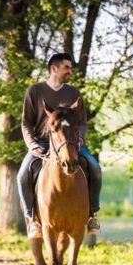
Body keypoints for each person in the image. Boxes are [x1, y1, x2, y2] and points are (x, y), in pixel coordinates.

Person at [17, 53, 102, 239]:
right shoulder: (34, 91)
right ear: (54, 68)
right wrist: (32, 145)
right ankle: (32, 219)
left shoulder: (74, 93)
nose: (70, 71)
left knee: (95, 168)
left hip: (71, 143)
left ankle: (93, 215)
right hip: (42, 142)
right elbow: (26, 123)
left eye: (70, 68)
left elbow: (82, 122)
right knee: (22, 175)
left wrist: (79, 139)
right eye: (67, 67)